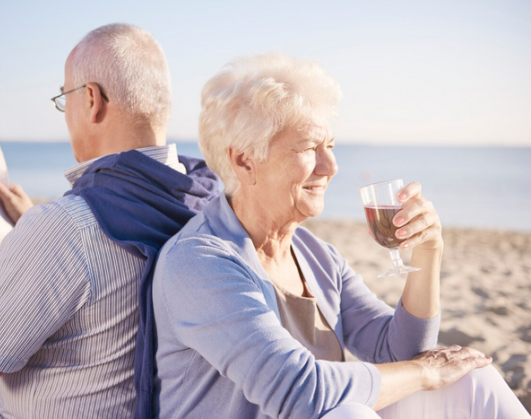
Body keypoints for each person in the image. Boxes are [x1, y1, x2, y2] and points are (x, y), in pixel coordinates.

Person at [150, 53, 529, 418]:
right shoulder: (199, 261)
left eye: (329, 146)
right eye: (309, 148)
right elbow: (301, 392)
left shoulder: (317, 255)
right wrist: (427, 372)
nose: (331, 167)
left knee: (473, 380)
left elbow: (400, 352)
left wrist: (428, 254)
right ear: (245, 160)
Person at [0, 23, 219, 418]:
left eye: (65, 98)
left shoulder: (68, 229)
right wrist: (39, 226)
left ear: (93, 100)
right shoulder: (207, 201)